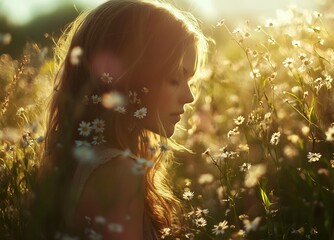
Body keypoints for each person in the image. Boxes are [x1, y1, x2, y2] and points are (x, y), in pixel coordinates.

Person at [29, 0, 208, 239]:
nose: (189, 96)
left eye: (190, 81)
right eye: (175, 78)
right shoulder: (119, 172)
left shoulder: (74, 161)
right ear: (131, 77)